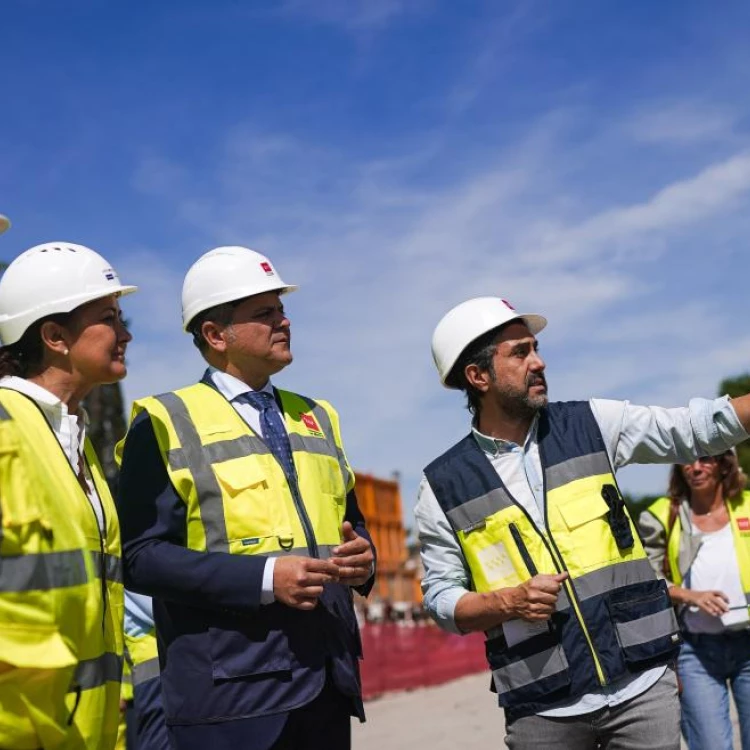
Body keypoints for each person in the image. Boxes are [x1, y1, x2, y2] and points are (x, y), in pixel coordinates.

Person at [415, 296, 750, 750]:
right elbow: (441, 598)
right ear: (478, 377)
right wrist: (507, 602)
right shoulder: (443, 484)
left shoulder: (591, 424)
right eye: (520, 352)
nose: (539, 361)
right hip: (542, 709)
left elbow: (693, 429)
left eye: (535, 347)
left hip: (642, 690)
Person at [115, 246, 375, 750]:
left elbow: (351, 523)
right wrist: (264, 578)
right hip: (231, 700)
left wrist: (364, 559)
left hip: (325, 682)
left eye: (281, 309)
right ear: (215, 335)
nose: (284, 321)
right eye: (265, 314)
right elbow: (141, 558)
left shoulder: (318, 416)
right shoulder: (164, 421)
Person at [0, 242, 135, 749]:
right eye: (108, 318)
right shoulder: (6, 426)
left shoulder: (77, 444)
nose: (126, 334)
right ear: (55, 336)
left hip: (88, 727)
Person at [639, 451, 750, 749]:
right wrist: (691, 595)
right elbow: (646, 581)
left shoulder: (748, 505)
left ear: (724, 465)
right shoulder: (662, 514)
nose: (695, 467)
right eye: (687, 460)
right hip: (695, 651)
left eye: (706, 459)